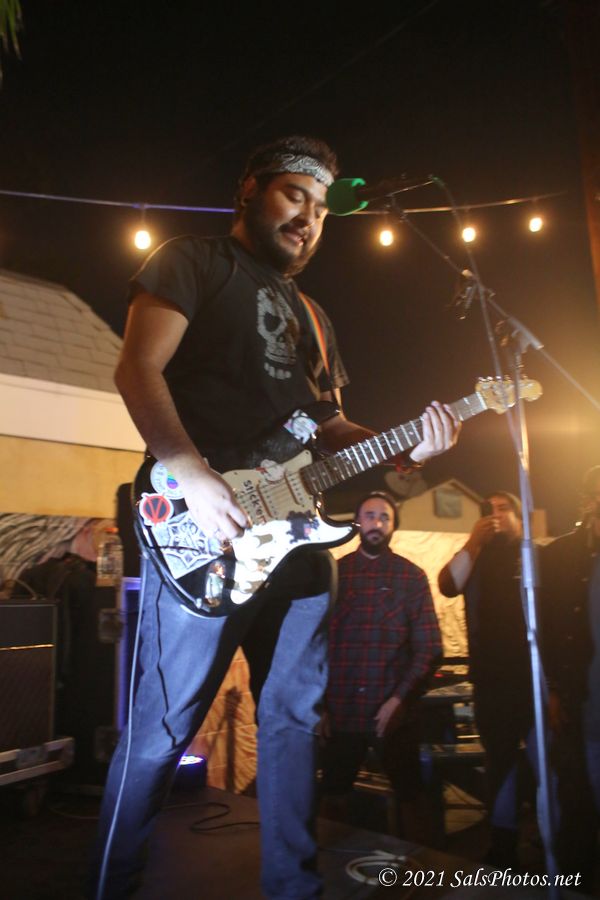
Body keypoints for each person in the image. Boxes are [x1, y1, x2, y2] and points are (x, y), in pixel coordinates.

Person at [90, 135, 460, 900]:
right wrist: (190, 472)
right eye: (296, 195)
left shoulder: (315, 318)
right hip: (201, 524)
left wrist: (407, 449)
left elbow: (329, 427)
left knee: (293, 722)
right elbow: (137, 368)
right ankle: (111, 887)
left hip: (298, 540)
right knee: (163, 729)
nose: (309, 218)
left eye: (321, 208)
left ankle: (295, 887)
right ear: (250, 190)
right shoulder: (190, 261)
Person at [320, 491, 442, 841]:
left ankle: (423, 868)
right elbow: (315, 645)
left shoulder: (411, 577)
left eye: (384, 517)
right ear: (358, 522)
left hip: (392, 715)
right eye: (370, 515)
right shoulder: (335, 574)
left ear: (393, 525)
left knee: (412, 797)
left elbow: (430, 647)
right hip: (340, 711)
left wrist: (399, 700)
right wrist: (320, 705)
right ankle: (330, 869)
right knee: (332, 798)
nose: (377, 523)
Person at [437, 492, 533, 868]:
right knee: (499, 761)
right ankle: (503, 847)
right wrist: (473, 541)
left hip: (534, 680)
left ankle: (553, 838)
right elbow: (448, 585)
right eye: (488, 511)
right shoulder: (476, 557)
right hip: (492, 680)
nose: (495, 516)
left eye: (503, 509)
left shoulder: (533, 555)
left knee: (547, 760)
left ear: (519, 516)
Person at [541, 465, 600, 890]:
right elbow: (545, 630)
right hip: (581, 701)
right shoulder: (560, 556)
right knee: (577, 798)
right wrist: (553, 691)